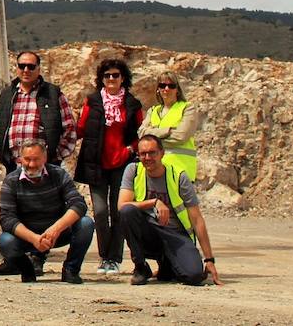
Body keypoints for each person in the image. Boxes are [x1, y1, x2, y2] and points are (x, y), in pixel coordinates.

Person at [0, 49, 78, 277]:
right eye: (22, 66)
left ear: (39, 69)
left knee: (45, 211)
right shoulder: (8, 95)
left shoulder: (52, 94)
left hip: (45, 165)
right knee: (15, 213)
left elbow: (68, 128)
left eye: (31, 66)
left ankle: (38, 256)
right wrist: (2, 153)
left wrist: (55, 158)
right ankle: (14, 259)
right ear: (16, 68)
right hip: (15, 166)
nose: (26, 70)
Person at [119, 135, 221, 287]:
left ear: (162, 153)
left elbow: (197, 219)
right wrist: (154, 202)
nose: (147, 157)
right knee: (127, 211)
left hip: (175, 234)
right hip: (149, 233)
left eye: (152, 153)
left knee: (193, 276)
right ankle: (141, 267)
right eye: (143, 154)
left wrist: (209, 260)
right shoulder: (133, 171)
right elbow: (122, 206)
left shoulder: (178, 176)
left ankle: (167, 265)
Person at [75, 58, 144, 276]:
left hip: (122, 165)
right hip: (96, 164)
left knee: (118, 212)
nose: (111, 79)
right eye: (107, 76)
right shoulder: (93, 102)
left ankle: (115, 258)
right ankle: (105, 255)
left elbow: (140, 133)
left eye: (115, 75)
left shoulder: (132, 105)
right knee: (101, 212)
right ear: (101, 79)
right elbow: (81, 128)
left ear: (123, 78)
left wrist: (131, 150)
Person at [0, 139, 95, 283]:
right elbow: (7, 219)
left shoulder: (59, 174)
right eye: (27, 159)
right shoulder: (11, 181)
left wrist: (56, 229)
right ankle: (27, 269)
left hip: (57, 233)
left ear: (45, 158)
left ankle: (71, 269)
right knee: (5, 241)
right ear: (20, 158)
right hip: (28, 236)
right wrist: (34, 239)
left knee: (86, 224)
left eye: (36, 159)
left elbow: (78, 204)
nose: (31, 164)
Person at [139, 74, 199, 182]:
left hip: (180, 171)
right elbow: (141, 134)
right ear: (158, 89)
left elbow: (181, 137)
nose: (166, 89)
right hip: (154, 171)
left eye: (171, 86)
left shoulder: (187, 108)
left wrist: (151, 136)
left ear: (177, 90)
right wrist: (167, 131)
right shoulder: (153, 111)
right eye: (162, 85)